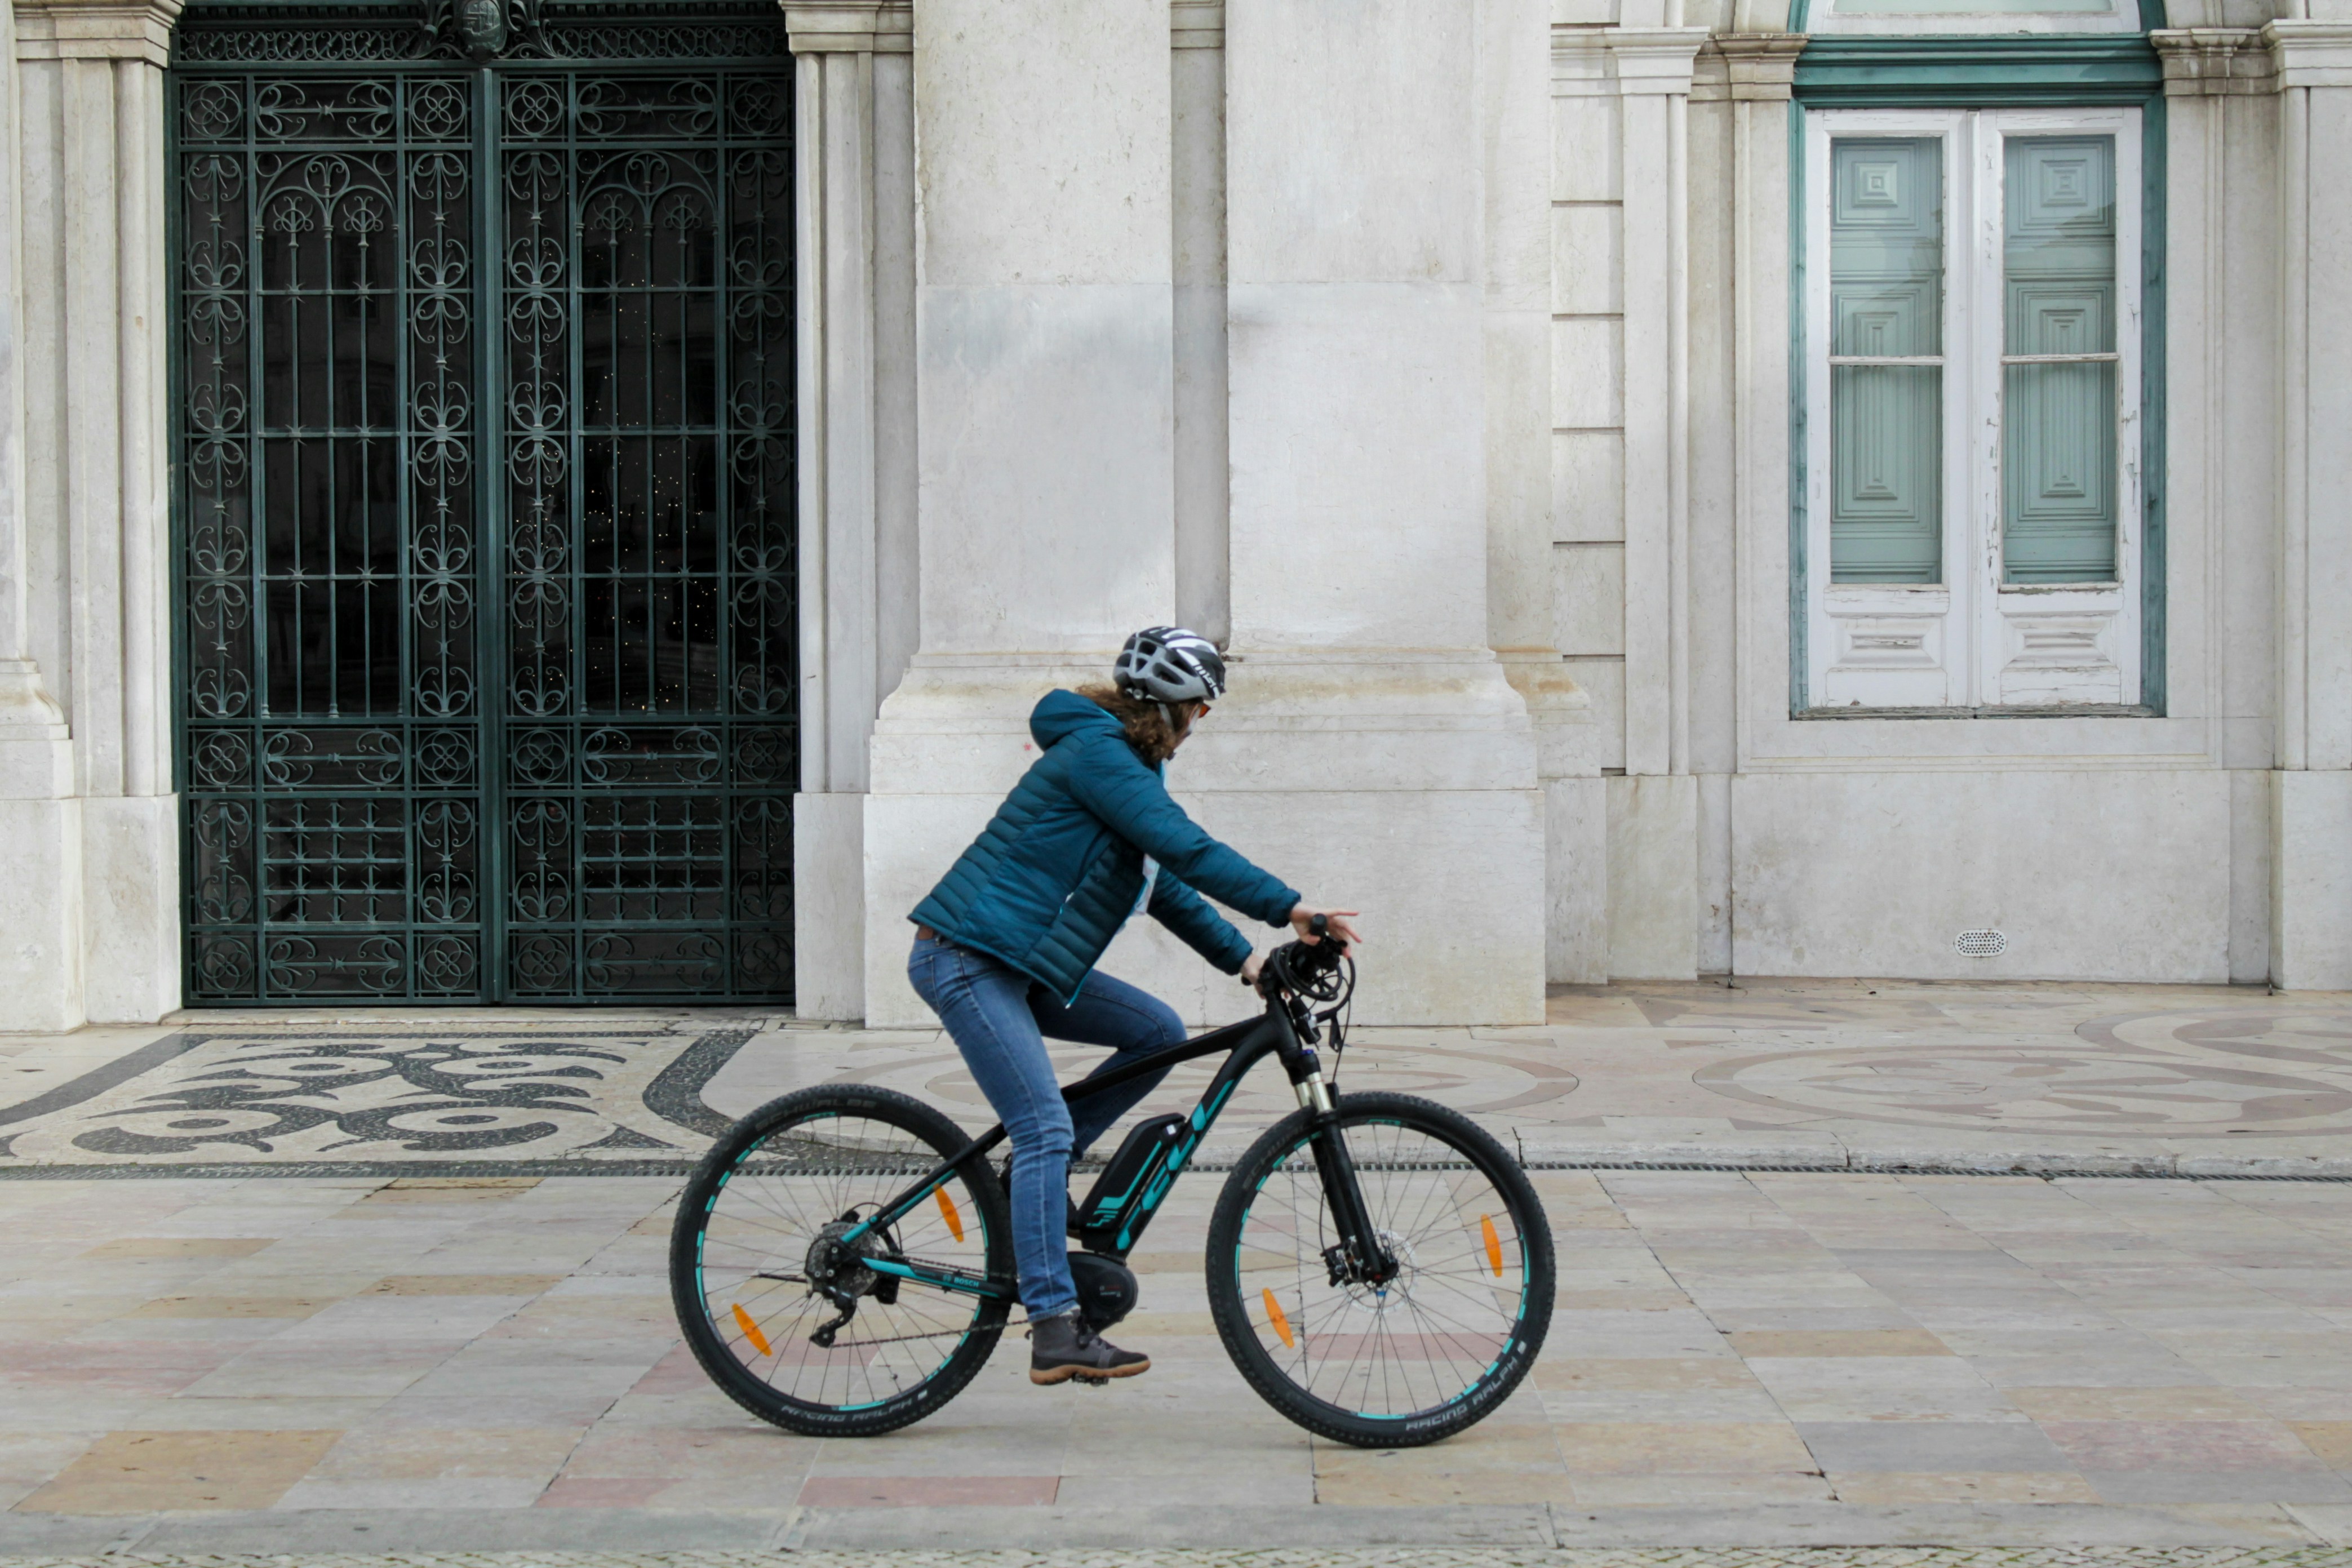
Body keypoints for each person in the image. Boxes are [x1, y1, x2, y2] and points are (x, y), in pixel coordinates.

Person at [907, 627, 1363, 1387]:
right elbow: (1184, 848)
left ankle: (1031, 1177)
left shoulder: (1121, 769)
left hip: (1021, 963)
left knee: (1155, 1031)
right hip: (967, 958)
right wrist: (1291, 909)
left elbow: (1162, 883)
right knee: (1045, 1124)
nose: (1201, 724)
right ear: (1186, 710)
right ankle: (1054, 1325)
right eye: (1204, 710)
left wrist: (1246, 961)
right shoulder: (1099, 757)